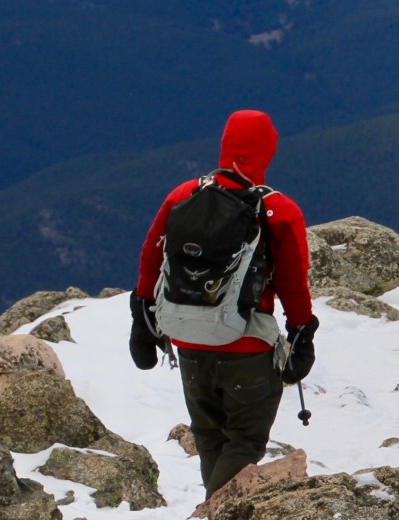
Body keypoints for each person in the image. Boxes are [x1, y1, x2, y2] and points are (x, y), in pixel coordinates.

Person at [130, 110, 317, 499]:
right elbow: (292, 283)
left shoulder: (183, 196)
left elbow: (151, 256)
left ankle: (213, 505)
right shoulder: (277, 210)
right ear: (267, 151)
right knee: (245, 441)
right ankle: (215, 510)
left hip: (188, 342)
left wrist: (142, 321)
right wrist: (302, 335)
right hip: (246, 347)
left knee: (209, 436)